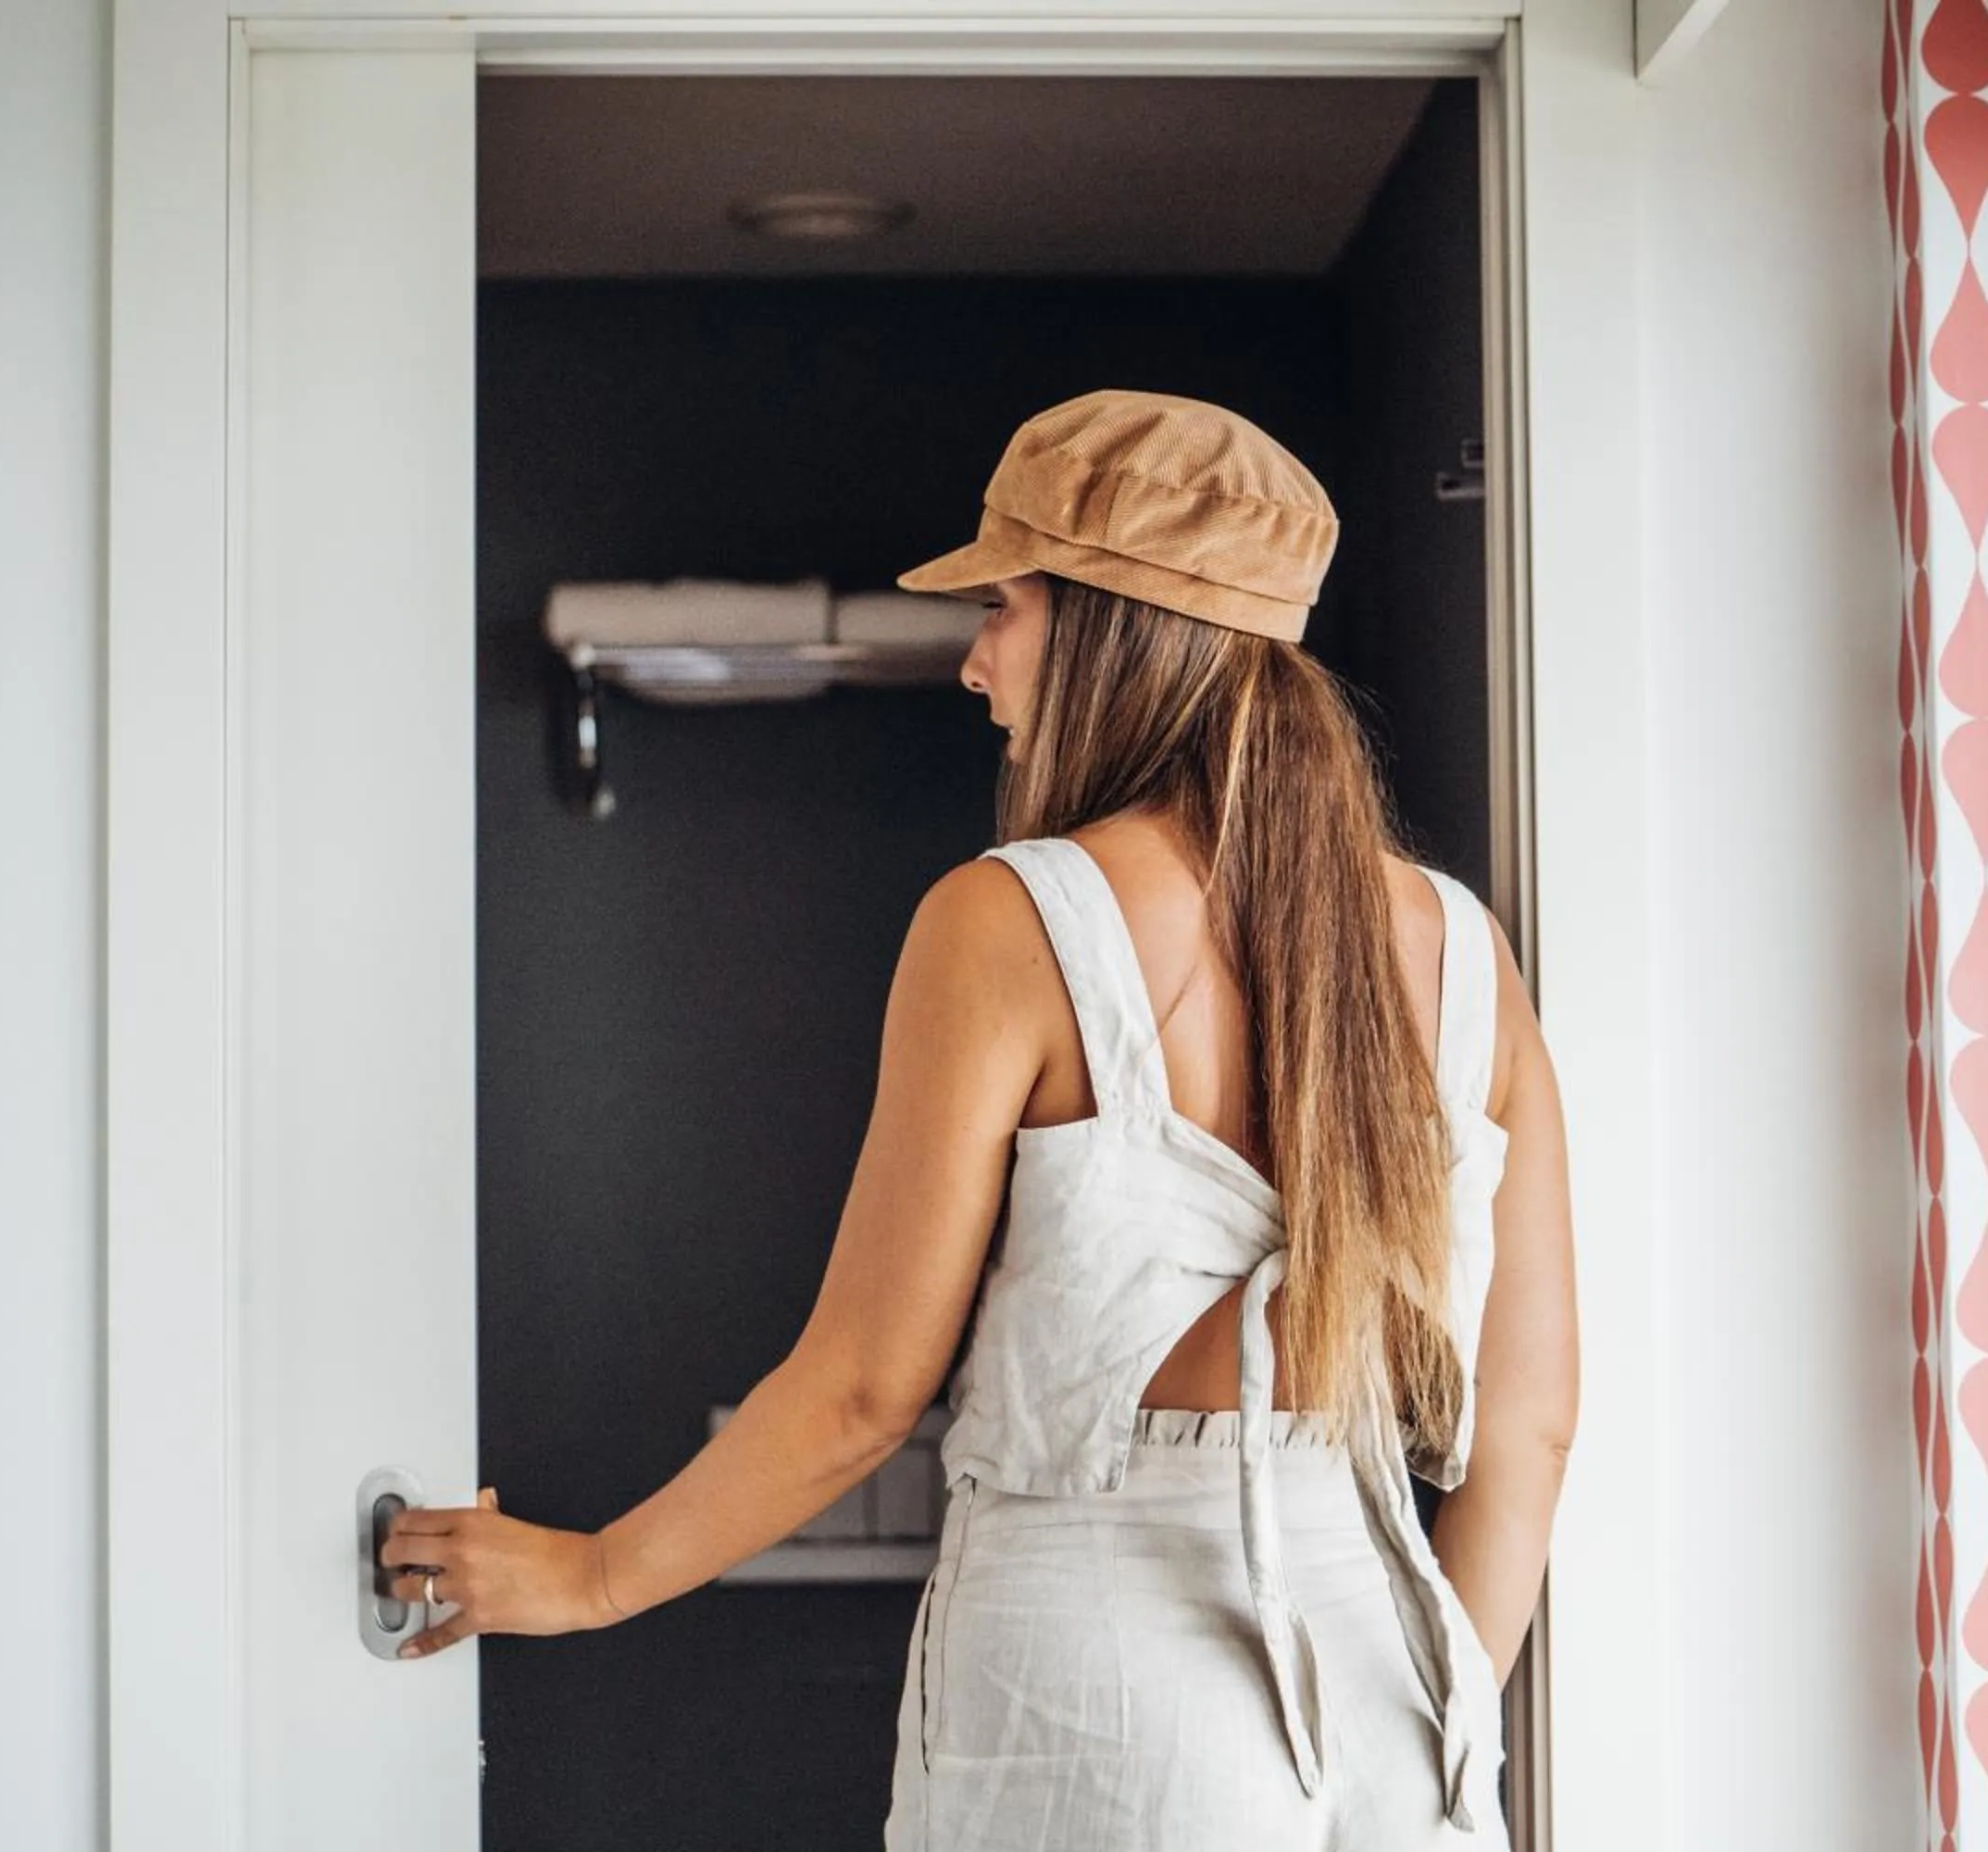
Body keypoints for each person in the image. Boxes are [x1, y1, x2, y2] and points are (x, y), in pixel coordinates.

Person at [379, 389, 1580, 1849]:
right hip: (1393, 1692)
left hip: (1103, 1690)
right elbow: (1529, 1425)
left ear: (1108, 630)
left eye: (1006, 604)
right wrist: (1434, 1691)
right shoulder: (1465, 957)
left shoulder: (1016, 920)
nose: (976, 660)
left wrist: (585, 1577)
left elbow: (863, 1391)